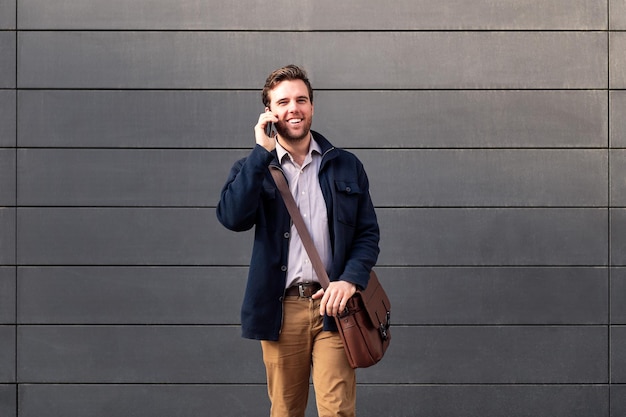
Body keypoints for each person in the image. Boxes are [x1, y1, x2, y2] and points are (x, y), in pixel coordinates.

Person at [216, 64, 380, 417]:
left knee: (338, 412)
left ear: (312, 107)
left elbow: (367, 234)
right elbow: (232, 217)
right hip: (280, 310)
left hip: (333, 309)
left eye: (301, 100)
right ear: (270, 112)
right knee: (286, 411)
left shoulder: (346, 166)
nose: (294, 108)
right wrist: (261, 153)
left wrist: (349, 280)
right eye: (284, 101)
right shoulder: (253, 168)